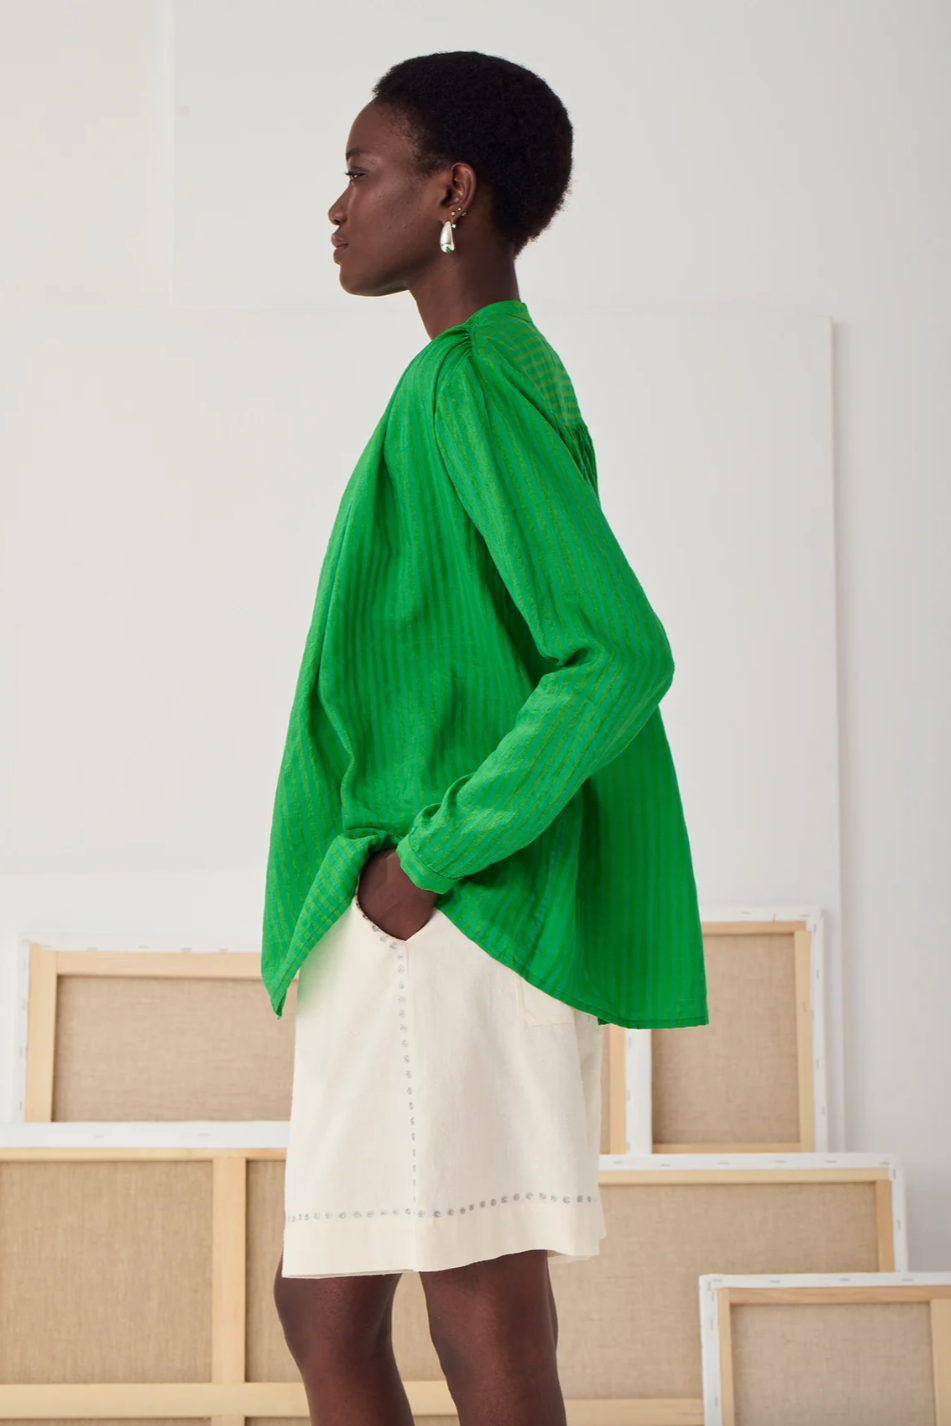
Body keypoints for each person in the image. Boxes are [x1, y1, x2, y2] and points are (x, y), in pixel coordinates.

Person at [265, 49, 708, 1426]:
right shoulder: (481, 375)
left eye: (363, 171)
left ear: (452, 190)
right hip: (427, 915)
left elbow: (615, 653)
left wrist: (428, 862)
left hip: (449, 917)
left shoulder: (469, 382)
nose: (338, 205)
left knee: (474, 1298)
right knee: (341, 1303)